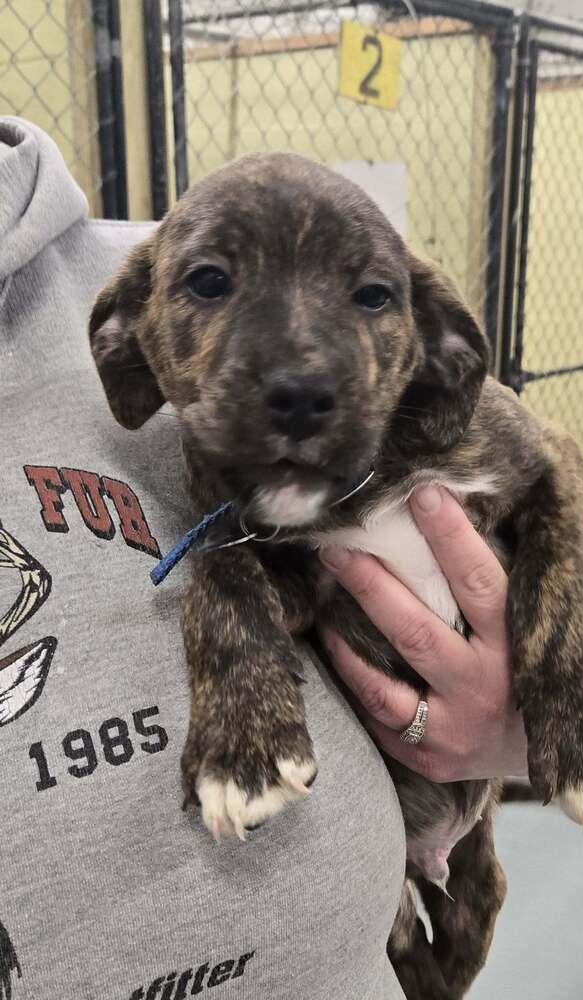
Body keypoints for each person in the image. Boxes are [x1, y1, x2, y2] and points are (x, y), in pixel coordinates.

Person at [0, 116, 524, 1000]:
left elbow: (506, 482)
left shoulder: (158, 257)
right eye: (211, 286)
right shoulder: (163, 292)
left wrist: (522, 713)